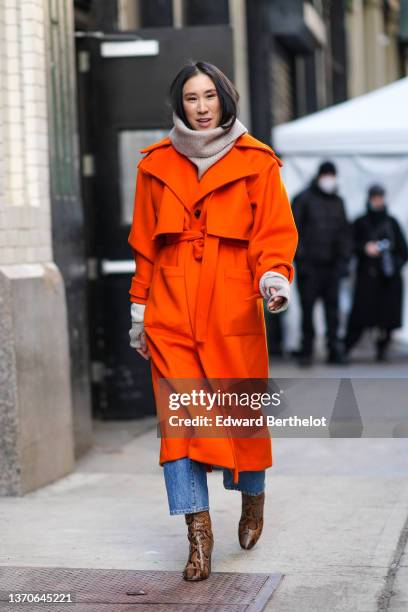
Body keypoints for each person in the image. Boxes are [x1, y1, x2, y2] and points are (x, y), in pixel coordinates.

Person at [127, 61, 298, 581]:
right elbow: (143, 245)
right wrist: (139, 309)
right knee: (179, 426)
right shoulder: (155, 164)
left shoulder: (257, 160)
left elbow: (273, 231)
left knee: (240, 415)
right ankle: (198, 536)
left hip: (231, 306)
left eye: (209, 97)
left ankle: (253, 497)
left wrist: (273, 278)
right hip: (172, 310)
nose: (201, 108)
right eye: (191, 99)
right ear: (180, 105)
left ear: (225, 98)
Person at [291, 161, 351, 366]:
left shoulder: (338, 202)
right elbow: (292, 231)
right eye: (327, 175)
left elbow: (345, 234)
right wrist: (301, 259)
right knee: (307, 310)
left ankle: (334, 349)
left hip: (332, 266)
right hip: (310, 266)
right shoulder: (303, 199)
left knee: (332, 311)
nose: (329, 179)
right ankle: (306, 350)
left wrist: (343, 262)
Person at [344, 184, 408, 361]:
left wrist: (391, 265)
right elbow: (348, 245)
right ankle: (345, 348)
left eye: (379, 197)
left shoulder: (391, 222)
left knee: (386, 319)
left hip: (388, 280)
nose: (377, 201)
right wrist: (364, 248)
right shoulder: (360, 222)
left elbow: (403, 251)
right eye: (374, 197)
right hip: (367, 278)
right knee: (359, 316)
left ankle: (382, 349)